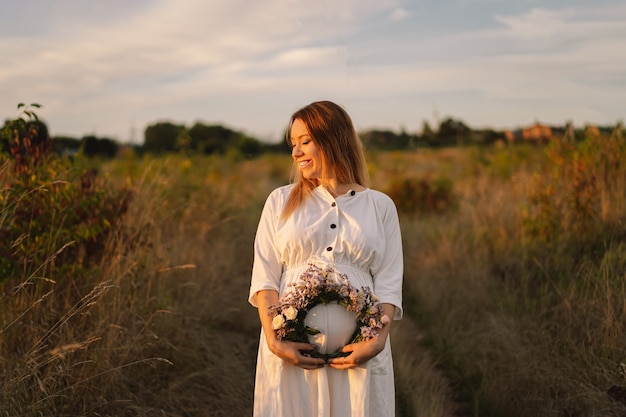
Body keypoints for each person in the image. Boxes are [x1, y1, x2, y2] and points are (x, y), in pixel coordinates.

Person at [248, 100, 403, 417]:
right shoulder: (280, 201)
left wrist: (376, 342)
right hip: (292, 355)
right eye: (293, 144)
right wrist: (275, 342)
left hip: (360, 356)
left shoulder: (380, 206)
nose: (296, 152)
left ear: (334, 139)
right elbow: (264, 277)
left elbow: (389, 282)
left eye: (305, 141)